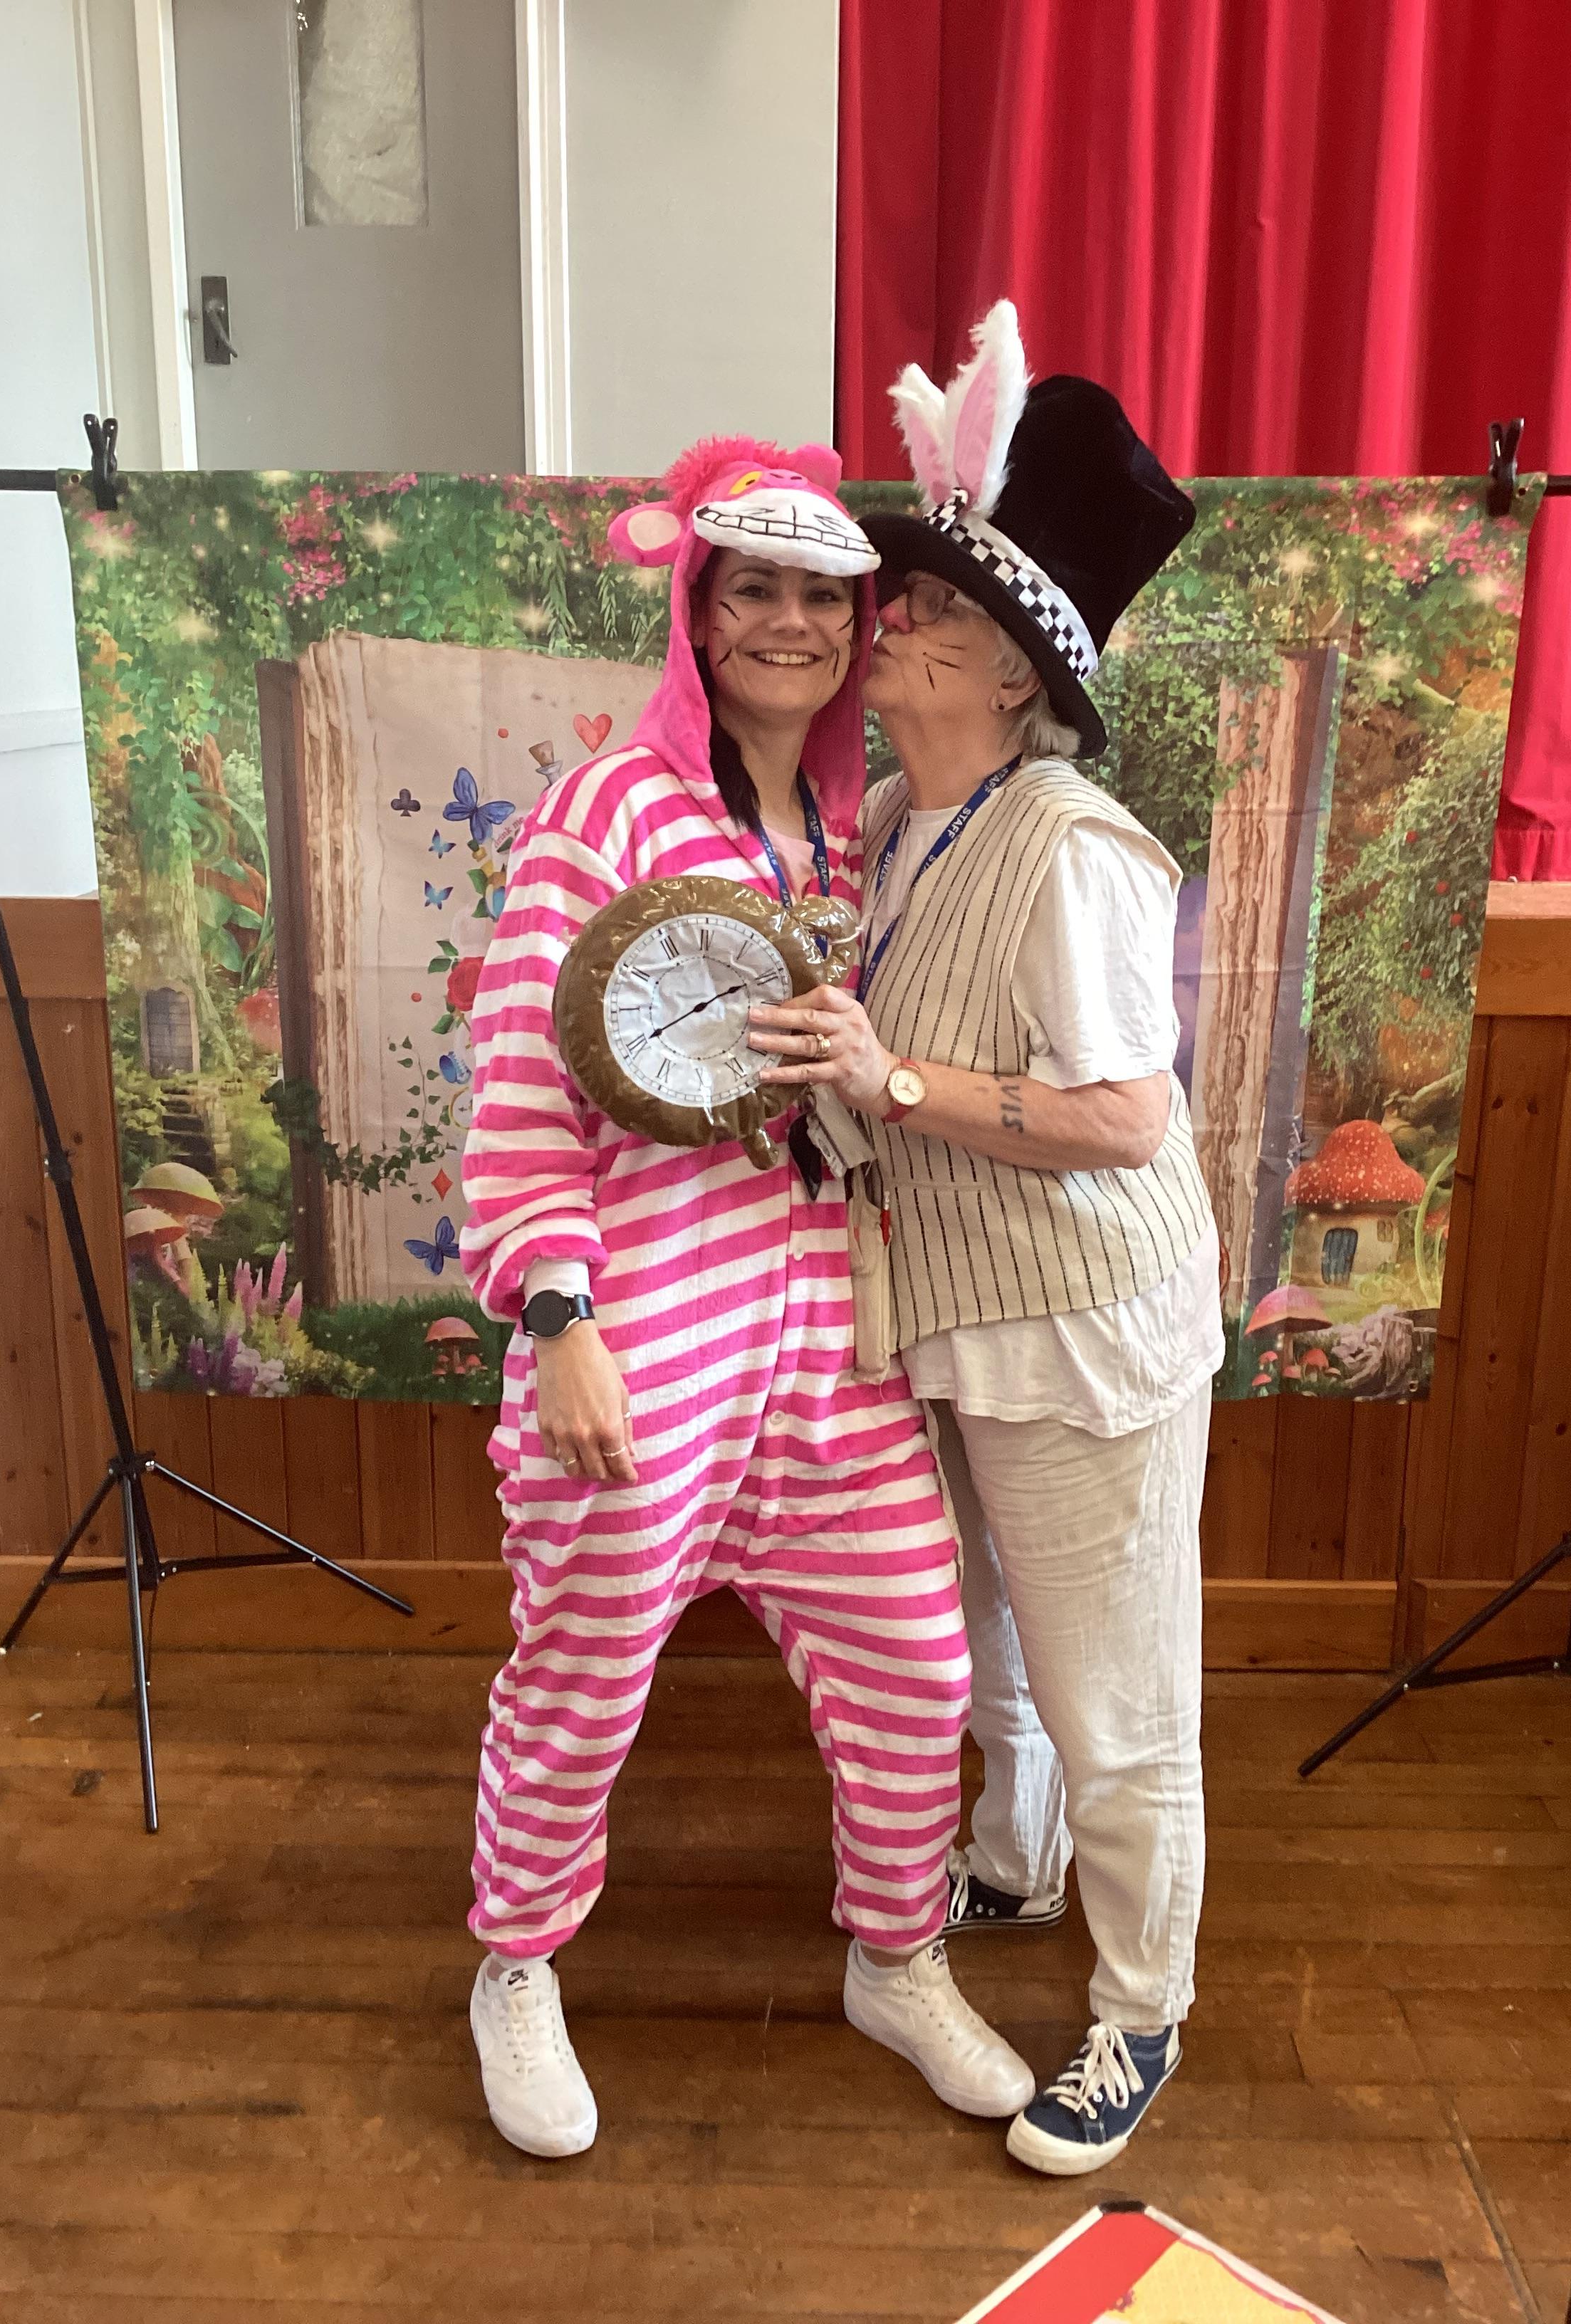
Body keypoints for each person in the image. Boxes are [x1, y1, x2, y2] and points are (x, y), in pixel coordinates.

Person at [457, 436, 1034, 2160]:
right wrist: (559, 1320)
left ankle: (897, 1955)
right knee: (581, 1677)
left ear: (860, 624)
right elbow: (519, 1090)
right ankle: (514, 1965)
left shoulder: (863, 831)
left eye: (823, 595)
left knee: (916, 1659)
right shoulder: (602, 815)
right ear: (698, 613)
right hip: (643, 1331)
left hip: (829, 1331)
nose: (792, 622)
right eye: (756, 589)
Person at [749, 305, 1223, 2177]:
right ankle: (1013, 1869)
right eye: (910, 598)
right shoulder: (894, 819)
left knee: (1120, 1695)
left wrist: (895, 1079)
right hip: (961, 1320)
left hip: (1088, 1328)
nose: (893, 623)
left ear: (1017, 674)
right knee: (996, 1641)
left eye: (934, 610)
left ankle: (1141, 2012)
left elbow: (1126, 1120)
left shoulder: (1074, 849)